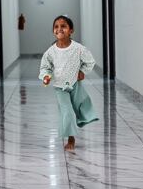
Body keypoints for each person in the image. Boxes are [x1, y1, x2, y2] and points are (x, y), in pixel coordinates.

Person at [39, 15, 99, 151]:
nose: (59, 29)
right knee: (67, 111)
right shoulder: (51, 52)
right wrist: (46, 76)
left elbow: (90, 61)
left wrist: (83, 71)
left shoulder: (78, 49)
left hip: (75, 84)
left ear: (71, 30)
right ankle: (71, 138)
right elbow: (45, 67)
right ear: (53, 31)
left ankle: (82, 118)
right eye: (56, 27)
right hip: (60, 87)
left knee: (79, 106)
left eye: (63, 26)